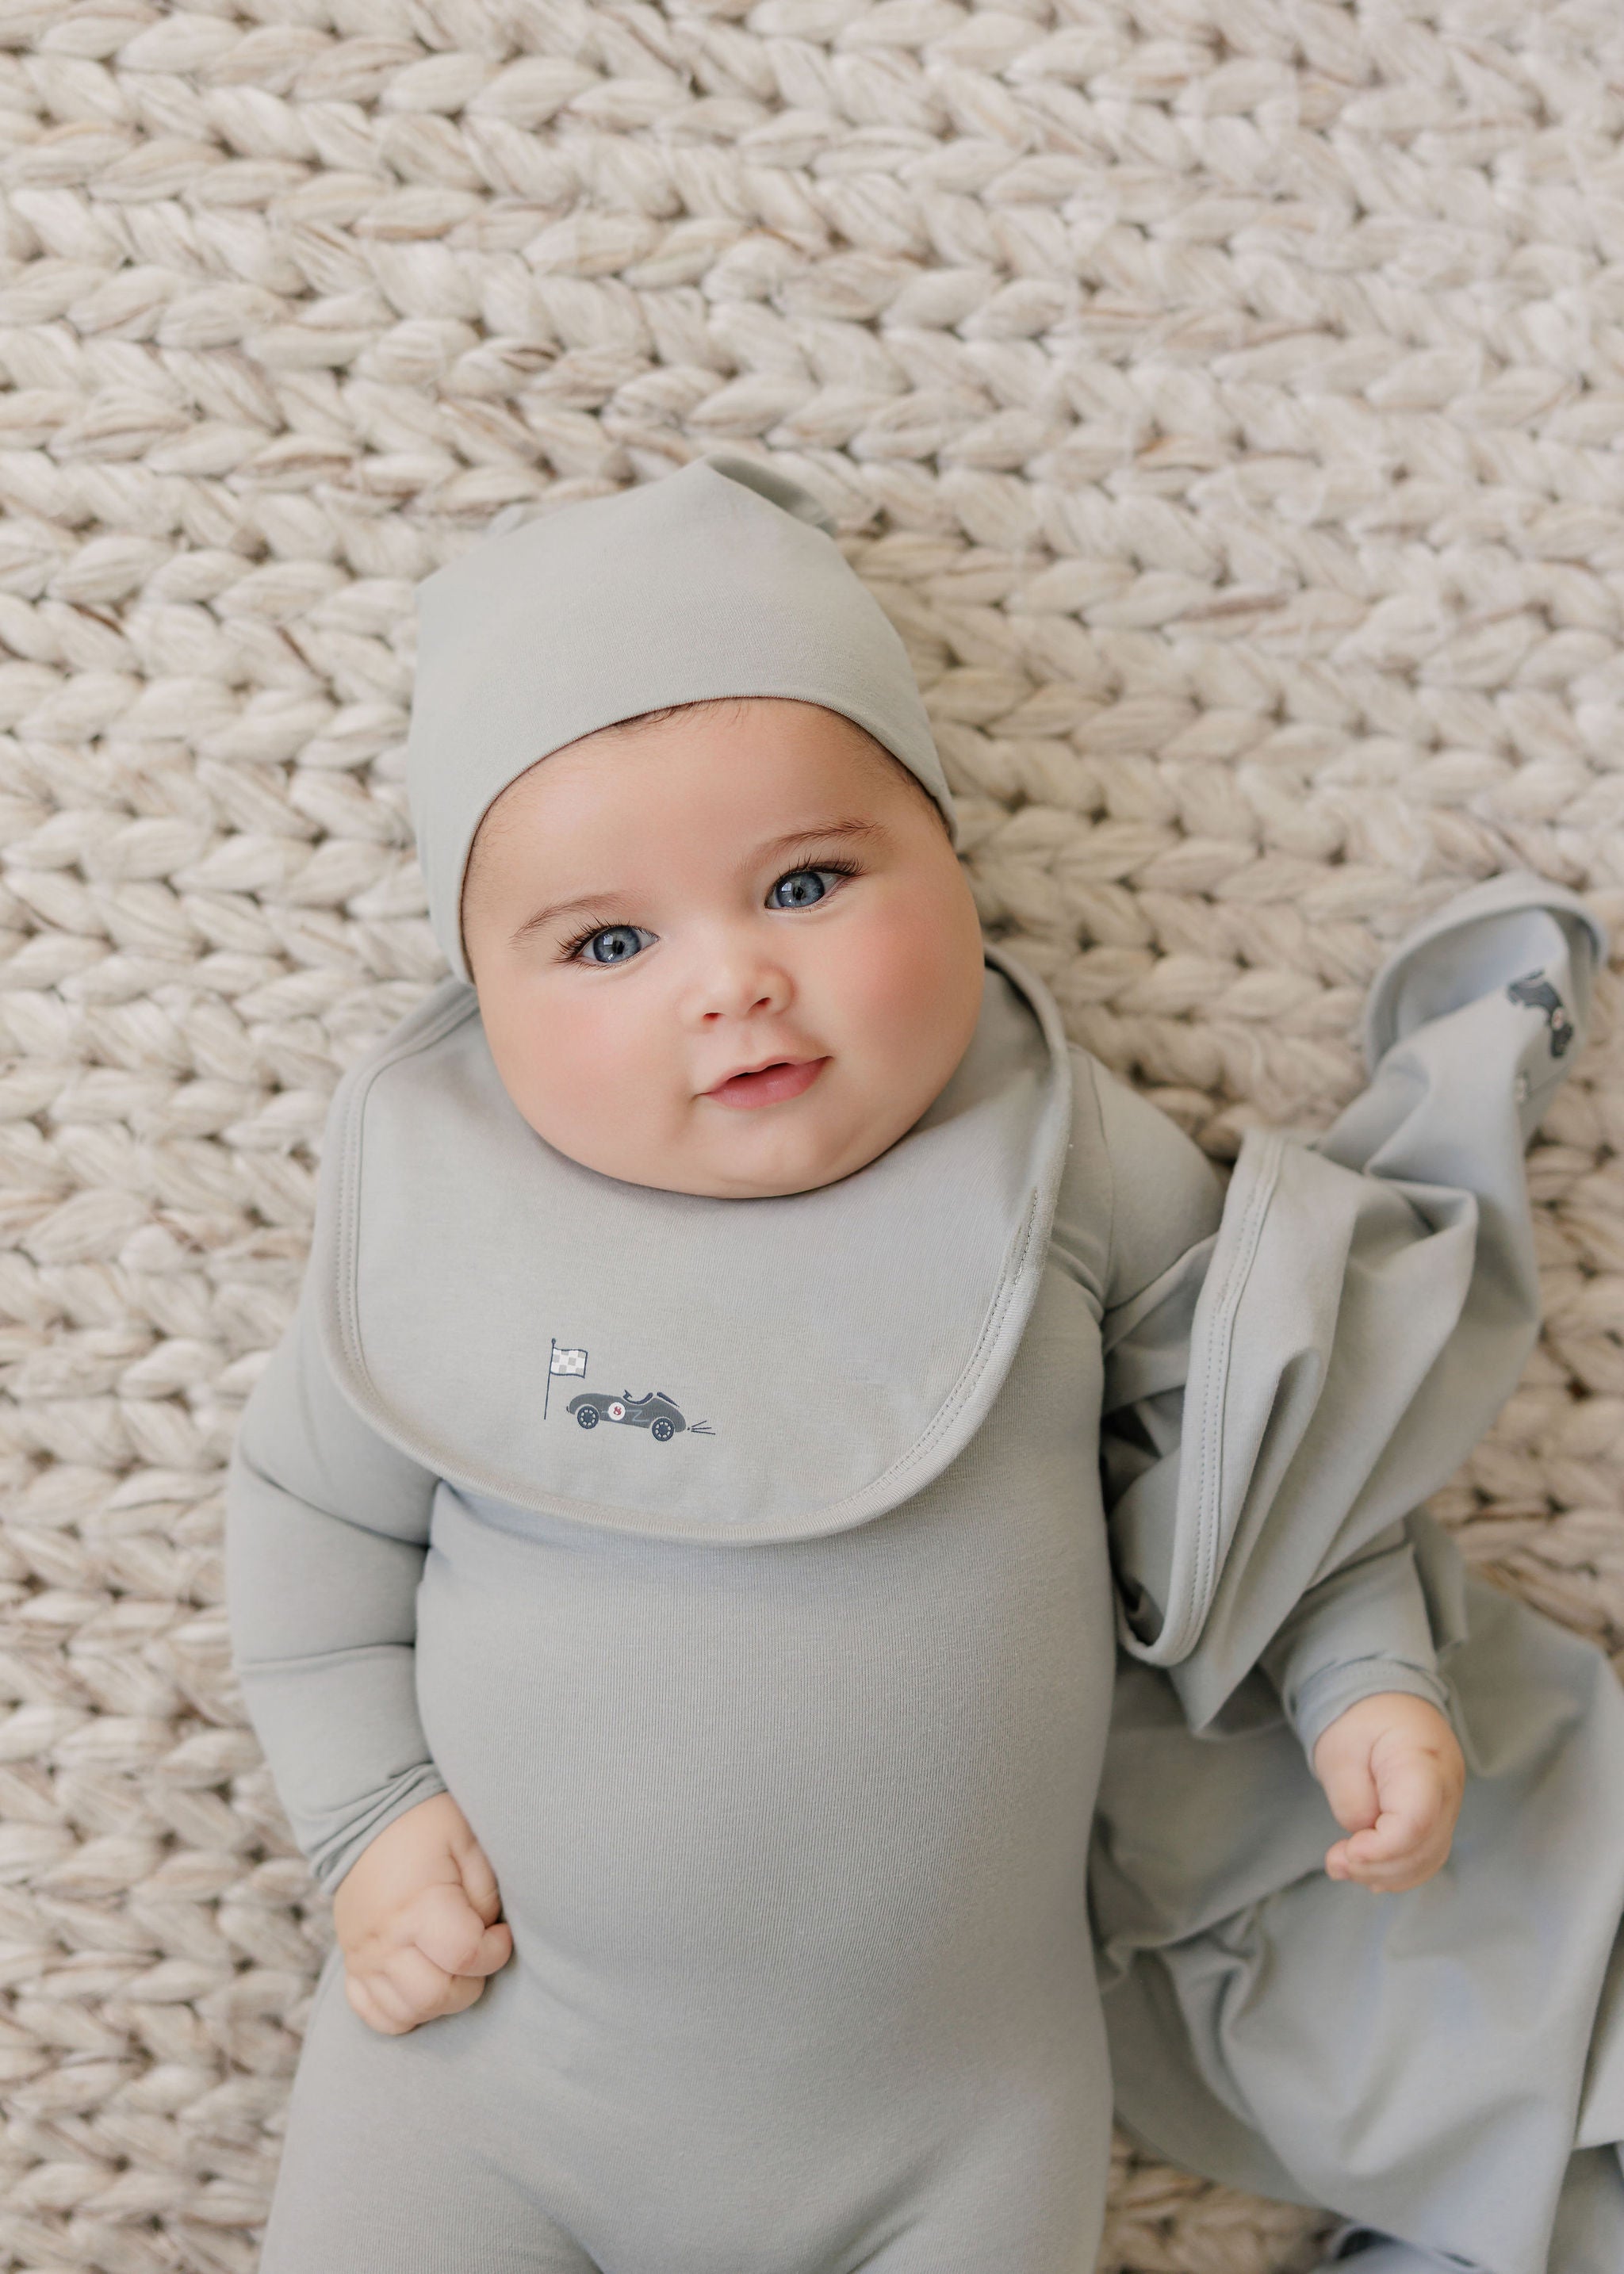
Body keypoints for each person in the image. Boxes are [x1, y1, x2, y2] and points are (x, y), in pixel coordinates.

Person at [224, 454, 1624, 2274]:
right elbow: (310, 1537)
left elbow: (1270, 1442)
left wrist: (1361, 1683)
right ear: (478, 993)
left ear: (951, 861)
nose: (731, 981)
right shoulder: (449, 1210)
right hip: (487, 2078)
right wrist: (369, 1819)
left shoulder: (1053, 1150)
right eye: (610, 942)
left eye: (806, 880)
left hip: (952, 2122)